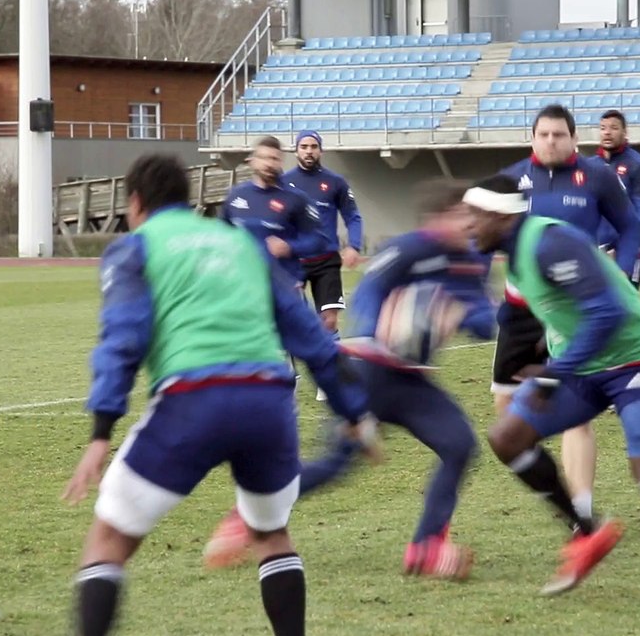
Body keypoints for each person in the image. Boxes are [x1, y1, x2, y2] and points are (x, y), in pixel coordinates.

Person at [63, 154, 371, 636]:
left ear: (135, 204)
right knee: (272, 533)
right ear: (190, 200)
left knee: (109, 539)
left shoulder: (134, 248)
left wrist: (100, 432)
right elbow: (309, 335)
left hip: (194, 400)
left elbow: (123, 340)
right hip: (268, 402)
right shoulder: (242, 245)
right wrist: (354, 413)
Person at [203, 179, 496, 579]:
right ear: (440, 218)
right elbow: (368, 294)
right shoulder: (408, 248)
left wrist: (460, 313)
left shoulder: (471, 262)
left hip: (410, 382)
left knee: (460, 445)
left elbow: (484, 321)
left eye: (474, 216)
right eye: (464, 214)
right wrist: (387, 328)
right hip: (369, 373)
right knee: (334, 466)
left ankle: (427, 547)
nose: (471, 224)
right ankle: (246, 515)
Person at [466, 180, 640, 607]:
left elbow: (607, 310)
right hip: (581, 366)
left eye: (474, 215)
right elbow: (554, 307)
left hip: (636, 359)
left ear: (501, 215)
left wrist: (557, 369)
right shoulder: (517, 255)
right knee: (507, 437)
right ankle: (585, 534)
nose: (468, 225)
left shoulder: (549, 242)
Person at [496, 106, 640, 543]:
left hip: (574, 311)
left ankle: (580, 507)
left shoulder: (597, 176)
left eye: (559, 134)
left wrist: (627, 275)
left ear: (574, 138)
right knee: (506, 412)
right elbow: (481, 234)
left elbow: (631, 228)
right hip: (522, 306)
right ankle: (553, 488)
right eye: (543, 134)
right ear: (533, 138)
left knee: (574, 410)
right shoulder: (511, 180)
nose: (551, 142)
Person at [284, 130, 364, 400]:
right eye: (304, 146)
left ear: (321, 151)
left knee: (328, 320)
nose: (308, 151)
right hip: (294, 262)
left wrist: (353, 245)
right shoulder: (284, 184)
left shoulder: (335, 182)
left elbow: (353, 215)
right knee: (295, 320)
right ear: (296, 151)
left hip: (326, 260)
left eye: (313, 146)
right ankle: (290, 376)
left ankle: (329, 378)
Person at [223, 135, 326, 284]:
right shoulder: (236, 195)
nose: (268, 164)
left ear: (281, 162)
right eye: (263, 158)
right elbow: (222, 233)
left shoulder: (296, 199)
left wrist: (289, 247)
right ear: (252, 161)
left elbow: (319, 240)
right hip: (243, 284)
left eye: (274, 159)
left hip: (284, 284)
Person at [595, 109, 640, 288]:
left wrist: (621, 247)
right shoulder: (590, 166)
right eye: (603, 128)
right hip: (597, 248)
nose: (607, 132)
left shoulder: (639, 165)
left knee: (627, 301)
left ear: (625, 132)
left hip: (629, 249)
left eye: (614, 128)